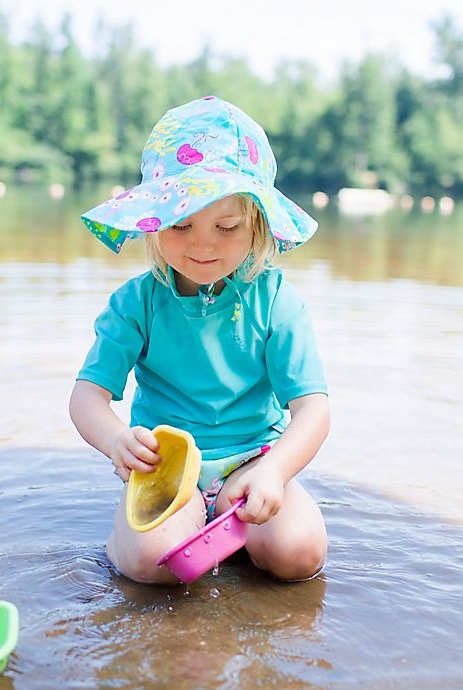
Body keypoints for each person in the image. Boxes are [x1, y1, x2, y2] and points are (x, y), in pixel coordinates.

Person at [69, 96, 330, 585]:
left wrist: (275, 472)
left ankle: (234, 527)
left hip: (256, 461)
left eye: (226, 227)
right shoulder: (136, 304)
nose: (203, 245)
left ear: (257, 224)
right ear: (153, 222)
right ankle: (136, 534)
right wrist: (115, 441)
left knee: (299, 554)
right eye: (181, 224)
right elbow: (87, 395)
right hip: (166, 468)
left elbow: (313, 409)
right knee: (155, 564)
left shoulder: (276, 301)